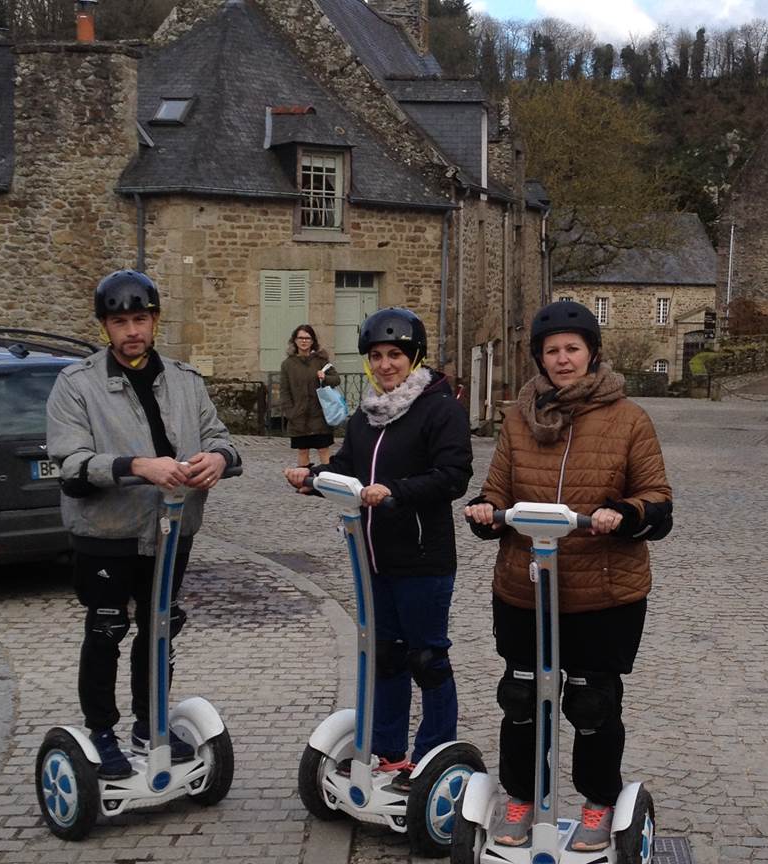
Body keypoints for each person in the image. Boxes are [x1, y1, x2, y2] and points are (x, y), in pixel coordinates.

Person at [463, 301, 673, 853]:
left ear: (592, 354)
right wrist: (486, 509)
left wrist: (624, 513)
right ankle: (521, 799)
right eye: (552, 350)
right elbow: (498, 488)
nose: (562, 359)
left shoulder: (629, 419)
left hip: (602, 593)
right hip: (525, 586)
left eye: (572, 349)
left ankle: (599, 805)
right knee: (521, 695)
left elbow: (657, 500)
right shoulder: (517, 417)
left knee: (591, 703)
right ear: (540, 357)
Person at [46, 269, 242, 780]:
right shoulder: (77, 385)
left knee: (160, 627)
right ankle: (101, 732)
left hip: (173, 529)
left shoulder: (185, 381)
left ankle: (148, 724)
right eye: (119, 322)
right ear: (105, 327)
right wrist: (138, 466)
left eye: (140, 319)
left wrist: (218, 459)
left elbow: (223, 438)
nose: (131, 330)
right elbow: (68, 464)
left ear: (155, 321)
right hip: (105, 531)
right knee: (107, 626)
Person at [283, 308, 472, 791]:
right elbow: (346, 465)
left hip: (423, 559)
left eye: (395, 355)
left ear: (414, 357)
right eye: (376, 356)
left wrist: (395, 492)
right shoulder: (368, 415)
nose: (386, 365)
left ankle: (432, 757)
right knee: (385, 655)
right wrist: (313, 480)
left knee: (426, 658)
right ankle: (388, 753)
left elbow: (454, 476)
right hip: (373, 560)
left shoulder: (440, 407)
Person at [280, 324, 342, 468]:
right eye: (300, 338)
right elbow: (285, 390)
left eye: (307, 338)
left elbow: (336, 379)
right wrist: (290, 412)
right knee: (303, 451)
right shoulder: (288, 364)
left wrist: (325, 377)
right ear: (295, 341)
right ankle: (304, 483)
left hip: (319, 415)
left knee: (323, 450)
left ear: (312, 341)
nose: (304, 341)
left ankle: (326, 480)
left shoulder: (321, 361)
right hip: (299, 416)